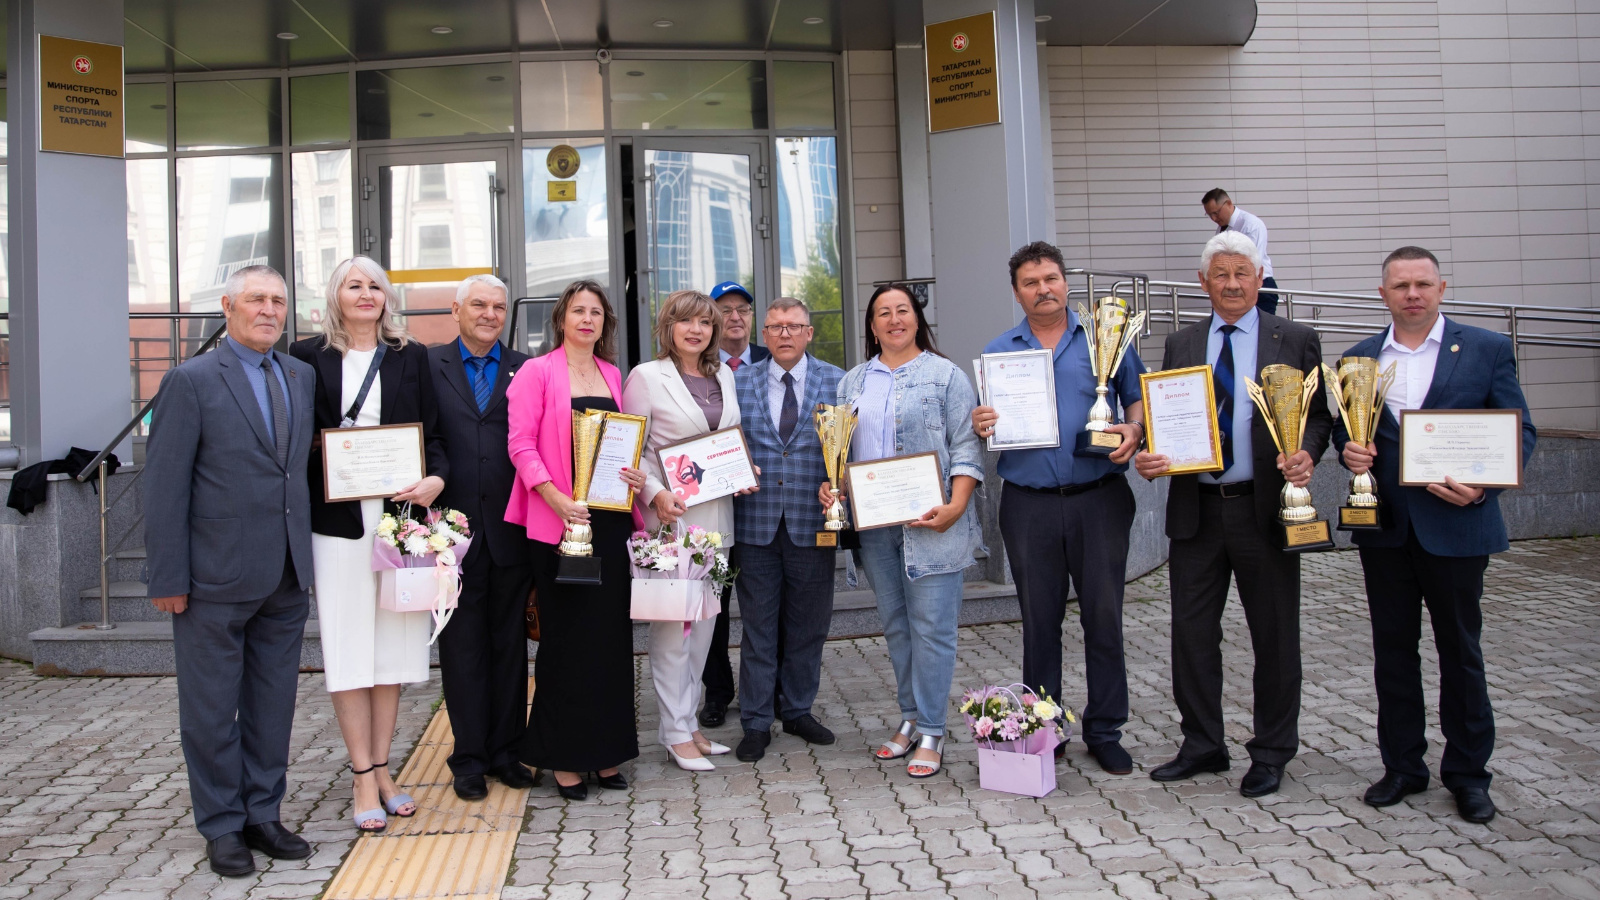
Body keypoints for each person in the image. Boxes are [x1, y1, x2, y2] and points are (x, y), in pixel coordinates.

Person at [1336, 246, 1536, 824]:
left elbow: (1521, 431)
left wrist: (1482, 488)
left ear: (1441, 288)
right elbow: (1352, 434)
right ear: (1383, 294)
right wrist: (1349, 453)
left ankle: (1469, 775)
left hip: (1458, 526)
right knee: (1393, 654)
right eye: (1401, 285)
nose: (1412, 294)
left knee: (1461, 653)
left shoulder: (1486, 349)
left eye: (1422, 284)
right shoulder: (1357, 359)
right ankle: (1403, 767)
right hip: (1386, 531)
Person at [1132, 231, 1332, 797]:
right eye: (1220, 274)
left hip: (1264, 510)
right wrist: (1151, 456)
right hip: (1195, 512)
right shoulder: (1181, 343)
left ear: (1260, 276)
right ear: (1203, 282)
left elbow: (1320, 416)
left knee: (1275, 636)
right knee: (1192, 636)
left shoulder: (1295, 338)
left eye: (1243, 272)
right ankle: (1202, 744)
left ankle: (1271, 751)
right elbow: (1166, 419)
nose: (1233, 284)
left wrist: (1307, 452)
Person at [145, 265, 316, 877]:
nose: (268, 310)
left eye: (278, 301)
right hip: (213, 578)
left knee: (273, 704)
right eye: (256, 300)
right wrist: (168, 577)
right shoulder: (189, 381)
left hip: (286, 573)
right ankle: (221, 825)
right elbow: (164, 486)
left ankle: (263, 813)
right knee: (212, 710)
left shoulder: (299, 374)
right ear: (227, 307)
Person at [970, 241, 1145, 775]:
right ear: (1016, 292)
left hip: (1100, 499)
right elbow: (986, 421)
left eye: (1051, 278)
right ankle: (1044, 728)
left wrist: (1135, 430)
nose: (1043, 289)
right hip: (1029, 505)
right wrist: (981, 422)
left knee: (1103, 617)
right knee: (1039, 622)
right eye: (1031, 282)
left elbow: (1136, 396)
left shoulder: (1104, 336)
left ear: (1065, 282)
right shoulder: (1000, 352)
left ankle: (1105, 730)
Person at [290, 257, 448, 834]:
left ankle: (383, 769)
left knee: (391, 653)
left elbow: (433, 435)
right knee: (350, 647)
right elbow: (294, 439)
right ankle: (361, 774)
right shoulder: (307, 356)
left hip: (398, 522)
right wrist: (336, 452)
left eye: (375, 286)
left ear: (387, 297)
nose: (366, 294)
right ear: (335, 295)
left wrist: (435, 480)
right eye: (354, 285)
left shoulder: (410, 356)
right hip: (336, 524)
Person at [829, 284, 983, 779]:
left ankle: (933, 730)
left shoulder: (947, 376)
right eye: (883, 313)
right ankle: (911, 718)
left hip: (933, 522)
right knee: (897, 626)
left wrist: (956, 505)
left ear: (917, 319)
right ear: (872, 327)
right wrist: (834, 488)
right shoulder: (853, 382)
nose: (894, 319)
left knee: (932, 629)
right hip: (876, 526)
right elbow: (842, 453)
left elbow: (966, 447)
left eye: (903, 310)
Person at [508, 280, 647, 801]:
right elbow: (520, 445)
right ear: (561, 319)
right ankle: (564, 758)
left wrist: (633, 476)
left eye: (596, 312)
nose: (587, 319)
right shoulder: (537, 372)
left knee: (609, 641)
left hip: (608, 522)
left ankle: (606, 753)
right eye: (578, 310)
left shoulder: (612, 373)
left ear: (605, 322)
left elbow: (618, 444)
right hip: (558, 523)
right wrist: (555, 498)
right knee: (566, 642)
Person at [623, 289, 752, 772]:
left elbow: (726, 441)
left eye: (705, 322)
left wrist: (742, 471)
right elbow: (632, 451)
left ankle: (689, 723)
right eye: (686, 321)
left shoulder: (723, 376)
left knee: (704, 630)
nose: (696, 330)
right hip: (671, 523)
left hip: (718, 523)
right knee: (673, 633)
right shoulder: (646, 377)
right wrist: (656, 494)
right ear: (669, 327)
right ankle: (674, 733)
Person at [427, 274, 536, 801]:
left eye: (498, 306)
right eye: (478, 305)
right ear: (456, 310)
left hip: (512, 528)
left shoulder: (526, 368)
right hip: (453, 534)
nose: (490, 314)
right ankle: (468, 758)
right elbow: (424, 436)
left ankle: (506, 752)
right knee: (462, 649)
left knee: (510, 647)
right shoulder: (428, 365)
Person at [730, 297, 845, 762]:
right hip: (755, 524)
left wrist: (839, 486)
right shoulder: (737, 381)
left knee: (808, 626)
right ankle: (756, 721)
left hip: (814, 522)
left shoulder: (838, 381)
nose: (784, 334)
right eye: (775, 327)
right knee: (758, 629)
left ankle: (797, 710)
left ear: (808, 333)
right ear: (763, 333)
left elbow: (850, 450)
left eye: (793, 326)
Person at [700, 280, 769, 727]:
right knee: (715, 603)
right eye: (725, 310)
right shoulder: (697, 365)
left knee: (764, 606)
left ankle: (768, 689)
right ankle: (717, 692)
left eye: (743, 309)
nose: (735, 317)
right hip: (713, 507)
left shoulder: (773, 358)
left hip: (766, 507)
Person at [1203, 188, 1279, 315]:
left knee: (1261, 326)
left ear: (1228, 203)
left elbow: (1252, 261)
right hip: (1234, 283)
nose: (1214, 218)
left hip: (1258, 285)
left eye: (1216, 213)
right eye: (1209, 215)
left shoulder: (1251, 224)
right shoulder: (1222, 228)